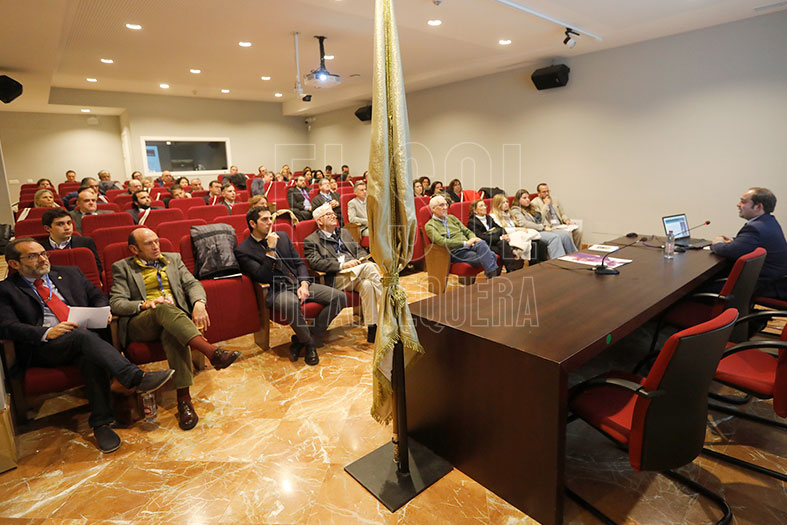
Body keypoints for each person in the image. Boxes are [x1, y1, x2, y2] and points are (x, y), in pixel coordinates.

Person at [0, 238, 174, 453]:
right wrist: (46, 332)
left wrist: (103, 310)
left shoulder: (70, 273)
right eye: (33, 256)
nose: (43, 259)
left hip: (83, 340)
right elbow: (6, 326)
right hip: (44, 347)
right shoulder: (6, 289)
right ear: (14, 264)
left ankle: (102, 424)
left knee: (88, 355)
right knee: (82, 338)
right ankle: (135, 377)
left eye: (44, 253)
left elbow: (98, 296)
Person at [110, 228, 241, 430]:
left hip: (172, 320)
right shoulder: (122, 267)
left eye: (157, 241)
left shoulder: (173, 259)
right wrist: (145, 304)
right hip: (142, 322)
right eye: (149, 244)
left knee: (172, 332)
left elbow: (192, 283)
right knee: (163, 307)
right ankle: (211, 352)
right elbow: (117, 302)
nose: (156, 246)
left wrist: (199, 303)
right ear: (134, 249)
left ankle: (184, 401)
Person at [235, 206, 347, 365]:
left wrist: (304, 284)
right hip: (276, 290)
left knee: (339, 297)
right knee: (291, 303)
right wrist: (271, 249)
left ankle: (304, 338)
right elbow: (263, 276)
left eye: (270, 218)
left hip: (296, 283)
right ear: (253, 224)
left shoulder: (282, 236)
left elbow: (299, 263)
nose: (269, 222)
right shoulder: (243, 250)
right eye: (264, 219)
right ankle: (310, 345)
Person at [305, 203, 381, 343]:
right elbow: (316, 263)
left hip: (356, 272)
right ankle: (391, 310)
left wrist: (362, 259)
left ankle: (373, 328)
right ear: (319, 221)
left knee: (368, 284)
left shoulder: (343, 233)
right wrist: (341, 265)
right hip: (336, 276)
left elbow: (359, 250)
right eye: (328, 214)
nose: (333, 216)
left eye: (333, 213)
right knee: (370, 268)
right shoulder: (311, 240)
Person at [711, 187, 787, 299]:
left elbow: (730, 251)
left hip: (764, 286)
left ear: (758, 206)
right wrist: (734, 241)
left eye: (743, 201)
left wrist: (717, 243)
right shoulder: (769, 221)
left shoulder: (755, 228)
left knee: (696, 287)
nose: (738, 204)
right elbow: (750, 243)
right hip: (774, 281)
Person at [424, 195, 498, 280]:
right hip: (455, 252)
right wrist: (465, 243)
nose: (445, 207)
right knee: (491, 255)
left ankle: (492, 279)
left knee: (481, 243)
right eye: (441, 205)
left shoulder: (452, 218)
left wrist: (473, 239)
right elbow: (441, 241)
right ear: (433, 208)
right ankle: (493, 279)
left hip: (470, 246)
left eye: (446, 204)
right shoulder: (430, 225)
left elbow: (467, 231)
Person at [509, 189, 577, 259]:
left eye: (528, 197)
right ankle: (558, 261)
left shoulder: (531, 207)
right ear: (518, 200)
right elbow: (524, 224)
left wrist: (544, 225)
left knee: (565, 235)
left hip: (541, 229)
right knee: (554, 237)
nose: (528, 200)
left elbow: (541, 219)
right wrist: (542, 227)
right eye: (524, 198)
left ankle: (575, 257)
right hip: (533, 232)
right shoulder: (515, 210)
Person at [467, 199, 523, 273]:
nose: (484, 207)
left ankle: (510, 270)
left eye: (485, 205)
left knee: (503, 244)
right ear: (475, 210)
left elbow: (499, 228)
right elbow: (481, 237)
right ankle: (511, 269)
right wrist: (499, 237)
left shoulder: (488, 218)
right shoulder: (472, 222)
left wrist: (504, 235)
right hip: (485, 245)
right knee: (504, 247)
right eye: (481, 206)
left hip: (495, 242)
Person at [42, 208, 103, 273]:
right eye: (60, 224)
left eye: (69, 223)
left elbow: (97, 269)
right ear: (47, 228)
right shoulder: (41, 247)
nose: (67, 228)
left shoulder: (86, 242)